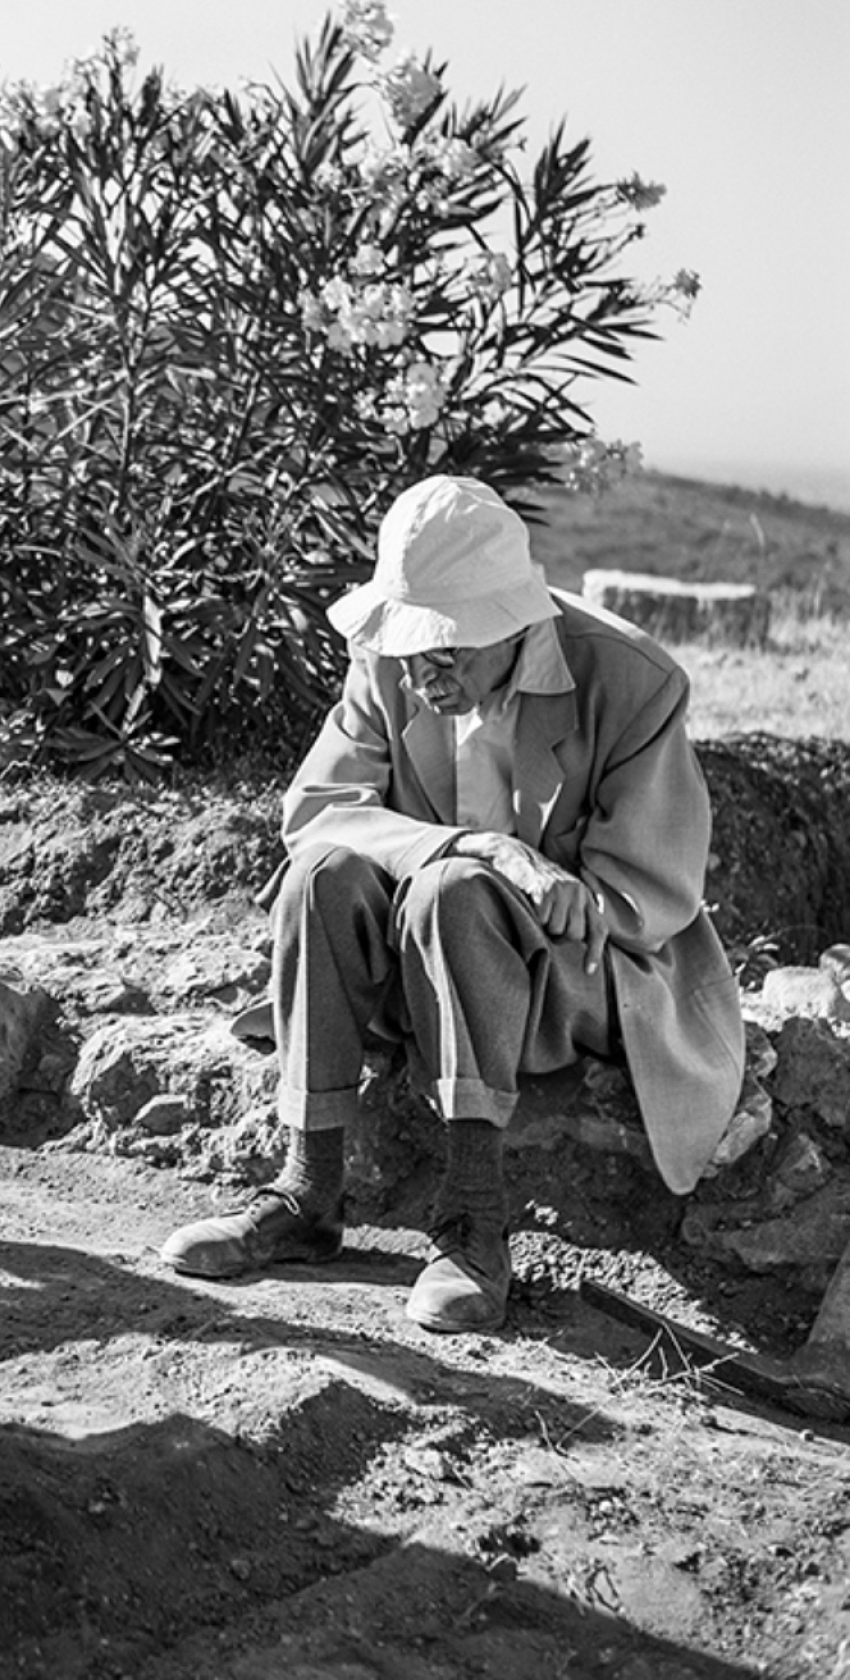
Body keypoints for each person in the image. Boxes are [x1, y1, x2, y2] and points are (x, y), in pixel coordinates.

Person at [159, 474, 745, 1333]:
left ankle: (474, 1225)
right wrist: (477, 846)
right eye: (411, 648)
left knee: (457, 891)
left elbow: (652, 893)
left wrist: (506, 882)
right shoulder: (390, 664)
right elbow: (319, 810)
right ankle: (305, 1193)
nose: (424, 674)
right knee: (325, 875)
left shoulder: (631, 681)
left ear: (511, 626)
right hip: (418, 957)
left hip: (575, 973)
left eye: (447, 652)